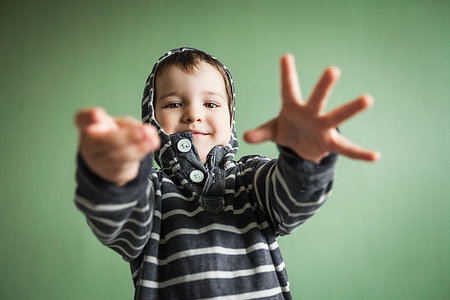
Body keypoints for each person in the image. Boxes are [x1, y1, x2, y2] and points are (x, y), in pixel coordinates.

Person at [74, 47, 380, 299]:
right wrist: (115, 174)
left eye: (210, 103)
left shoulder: (251, 179)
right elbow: (117, 220)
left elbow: (293, 201)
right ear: (151, 119)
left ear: (230, 119)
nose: (194, 113)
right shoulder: (150, 193)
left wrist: (304, 155)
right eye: (174, 103)